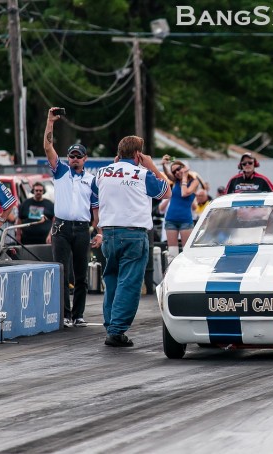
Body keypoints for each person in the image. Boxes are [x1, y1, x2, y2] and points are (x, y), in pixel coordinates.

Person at [91, 135, 170, 347]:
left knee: (113, 280)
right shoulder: (144, 174)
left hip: (109, 233)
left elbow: (95, 190)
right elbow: (167, 191)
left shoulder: (102, 172)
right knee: (129, 283)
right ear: (138, 155)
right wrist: (153, 166)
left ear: (119, 153)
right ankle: (116, 331)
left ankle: (111, 325)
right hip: (133, 234)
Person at [44, 107, 98, 328]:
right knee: (62, 272)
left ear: (85, 159)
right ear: (68, 158)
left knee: (81, 274)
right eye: (72, 156)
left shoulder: (92, 179)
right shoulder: (61, 171)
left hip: (82, 228)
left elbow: (96, 210)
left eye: (79, 156)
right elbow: (48, 147)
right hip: (62, 228)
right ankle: (65, 314)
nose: (75, 159)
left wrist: (99, 231)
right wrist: (50, 122)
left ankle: (79, 314)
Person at [160, 156, 199, 261]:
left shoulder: (194, 182)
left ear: (184, 167)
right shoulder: (176, 181)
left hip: (185, 221)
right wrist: (164, 164)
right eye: (174, 171)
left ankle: (186, 275)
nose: (176, 172)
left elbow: (184, 193)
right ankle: (171, 275)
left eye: (178, 169)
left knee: (186, 253)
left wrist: (185, 176)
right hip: (171, 219)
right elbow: (168, 174)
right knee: (172, 253)